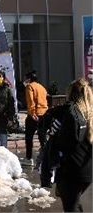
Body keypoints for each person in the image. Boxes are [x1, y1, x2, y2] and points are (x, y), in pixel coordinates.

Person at [54, 78, 92, 212]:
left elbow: (66, 143)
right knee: (75, 204)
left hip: (72, 169)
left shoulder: (72, 114)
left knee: (71, 207)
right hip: (87, 169)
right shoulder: (89, 113)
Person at [23, 70, 48, 165]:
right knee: (42, 138)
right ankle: (46, 158)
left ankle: (29, 158)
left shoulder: (30, 86)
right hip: (43, 114)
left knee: (29, 137)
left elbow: (31, 101)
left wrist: (32, 113)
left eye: (25, 78)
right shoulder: (41, 87)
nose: (24, 80)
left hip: (34, 115)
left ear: (29, 79)